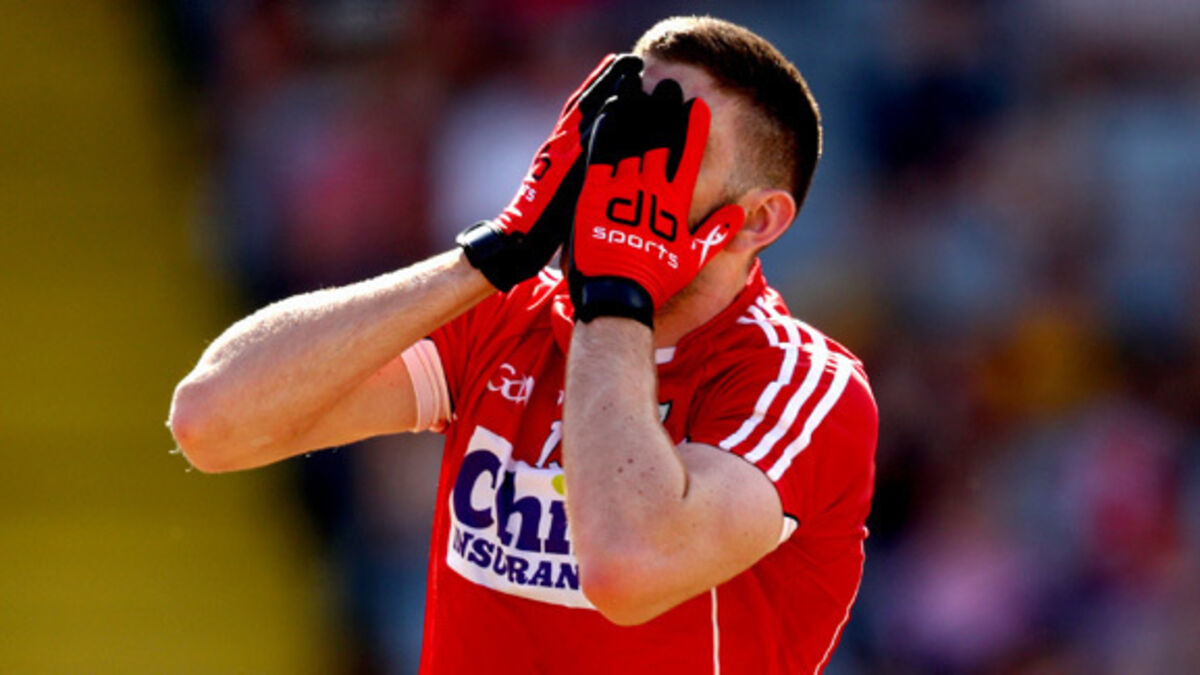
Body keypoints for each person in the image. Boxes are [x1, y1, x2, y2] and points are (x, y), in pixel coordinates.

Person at [169, 15, 878, 674]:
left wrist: (614, 290)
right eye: (619, 129)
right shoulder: (513, 317)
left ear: (756, 221)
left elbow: (627, 565)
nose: (624, 166)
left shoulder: (802, 386)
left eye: (670, 147)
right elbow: (213, 422)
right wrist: (492, 253)